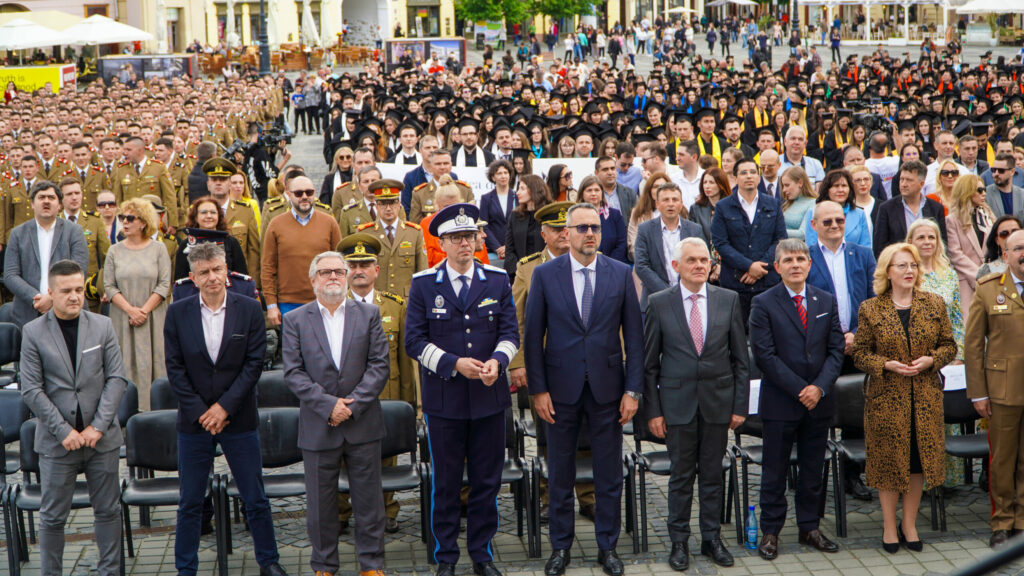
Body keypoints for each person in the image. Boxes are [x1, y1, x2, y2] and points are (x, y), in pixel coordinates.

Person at [524, 202, 643, 576]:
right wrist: (538, 390)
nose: (589, 233)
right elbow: (532, 338)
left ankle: (607, 547)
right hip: (559, 392)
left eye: (595, 227)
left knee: (609, 473)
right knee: (560, 473)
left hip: (609, 391)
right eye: (581, 228)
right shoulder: (545, 275)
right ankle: (561, 547)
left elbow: (636, 340)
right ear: (567, 234)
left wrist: (633, 391)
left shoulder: (621, 274)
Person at [405, 203, 519, 576]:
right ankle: (447, 557)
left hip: (489, 397)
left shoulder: (497, 279)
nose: (464, 244)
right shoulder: (424, 283)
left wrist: (498, 362)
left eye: (469, 236)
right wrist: (454, 364)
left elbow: (510, 334)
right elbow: (414, 342)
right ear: (442, 242)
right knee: (447, 483)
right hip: (444, 400)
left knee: (487, 481)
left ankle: (482, 555)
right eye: (456, 238)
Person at [163, 242, 287, 576]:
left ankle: (269, 562)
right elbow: (174, 369)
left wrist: (224, 408)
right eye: (204, 272)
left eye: (217, 270)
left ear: (227, 273)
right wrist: (202, 411)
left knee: (254, 497)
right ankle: (185, 568)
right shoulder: (178, 312)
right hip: (195, 421)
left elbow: (254, 363)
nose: (212, 277)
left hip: (239, 417)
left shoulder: (249, 308)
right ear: (193, 277)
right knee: (190, 501)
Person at [642, 237, 748, 570]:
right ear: (676, 266)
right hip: (677, 405)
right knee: (681, 477)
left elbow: (740, 360)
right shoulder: (659, 302)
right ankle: (678, 543)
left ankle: (711, 538)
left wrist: (739, 406)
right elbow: (649, 365)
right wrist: (655, 411)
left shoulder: (728, 300)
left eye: (704, 260)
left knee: (713, 475)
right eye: (692, 260)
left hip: (718, 403)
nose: (700, 265)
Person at [282, 250, 390, 576]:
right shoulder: (295, 320)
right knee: (320, 505)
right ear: (313, 280)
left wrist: (351, 406)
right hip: (319, 425)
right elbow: (294, 373)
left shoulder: (369, 314)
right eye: (326, 272)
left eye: (339, 272)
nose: (334, 277)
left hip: (363, 424)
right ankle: (324, 566)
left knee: (370, 502)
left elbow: (379, 366)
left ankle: (371, 565)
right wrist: (330, 406)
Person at [20, 259, 127, 576]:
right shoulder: (33, 332)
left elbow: (117, 379)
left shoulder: (102, 326)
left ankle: (110, 571)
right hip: (57, 443)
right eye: (66, 291)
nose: (75, 296)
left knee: (108, 510)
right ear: (51, 293)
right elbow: (31, 389)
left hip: (101, 439)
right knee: (52, 516)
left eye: (80, 289)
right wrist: (64, 431)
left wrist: (98, 426)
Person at [852, 242, 957, 554]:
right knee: (888, 463)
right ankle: (888, 526)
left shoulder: (934, 304)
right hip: (887, 400)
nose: (910, 270)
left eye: (913, 265)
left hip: (925, 398)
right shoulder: (870, 308)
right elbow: (859, 354)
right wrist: (884, 364)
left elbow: (949, 346)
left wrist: (931, 360)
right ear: (888, 272)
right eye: (902, 266)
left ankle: (909, 523)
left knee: (916, 462)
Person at [750, 237, 845, 560]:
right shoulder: (763, 303)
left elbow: (835, 350)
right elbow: (764, 355)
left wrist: (818, 387)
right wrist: (799, 389)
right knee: (774, 471)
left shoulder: (825, 301)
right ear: (777, 267)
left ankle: (810, 527)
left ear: (809, 264)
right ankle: (771, 531)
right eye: (788, 260)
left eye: (801, 259)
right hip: (781, 402)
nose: (795, 265)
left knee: (812, 470)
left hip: (818, 402)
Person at [335, 233, 414, 533]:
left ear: (376, 269)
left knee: (385, 458)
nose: (359, 270)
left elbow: (405, 364)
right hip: (347, 399)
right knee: (342, 456)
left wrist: (409, 404)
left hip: (386, 397)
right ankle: (341, 513)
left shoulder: (394, 306)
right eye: (353, 264)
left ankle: (386, 510)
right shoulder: (333, 307)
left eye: (365, 264)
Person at [965, 229, 1024, 548]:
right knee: (1002, 459)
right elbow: (973, 344)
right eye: (1018, 249)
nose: (1023, 254)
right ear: (1006, 256)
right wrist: (979, 392)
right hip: (1002, 390)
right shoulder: (989, 289)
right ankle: (1001, 521)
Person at [103, 197, 172, 411]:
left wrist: (143, 311)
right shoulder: (114, 251)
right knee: (124, 362)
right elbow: (109, 285)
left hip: (152, 318)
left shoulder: (159, 249)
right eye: (122, 217)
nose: (124, 221)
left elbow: (164, 284)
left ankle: (155, 411)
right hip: (123, 318)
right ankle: (126, 411)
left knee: (154, 362)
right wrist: (131, 310)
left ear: (143, 222)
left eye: (130, 218)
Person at [711, 157, 788, 325]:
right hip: (735, 282)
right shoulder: (723, 207)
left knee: (769, 332)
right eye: (743, 172)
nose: (749, 176)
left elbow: (780, 240)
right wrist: (748, 266)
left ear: (759, 177)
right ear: (735, 177)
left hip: (768, 281)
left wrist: (760, 267)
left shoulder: (773, 204)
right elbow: (720, 243)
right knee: (737, 335)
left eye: (753, 172)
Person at [3, 180, 89, 328]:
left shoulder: (74, 231)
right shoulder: (18, 234)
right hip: (28, 311)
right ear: (32, 203)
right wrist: (36, 298)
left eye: (51, 197)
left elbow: (79, 270)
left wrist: (52, 298)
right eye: (41, 197)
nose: (46, 201)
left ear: (60, 204)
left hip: (67, 309)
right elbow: (10, 274)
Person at [261, 175, 343, 326]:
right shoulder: (275, 224)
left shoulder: (329, 222)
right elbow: (267, 268)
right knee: (292, 349)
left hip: (324, 301)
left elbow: (341, 265)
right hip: (288, 304)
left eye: (309, 192)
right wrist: (271, 305)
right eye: (298, 193)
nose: (304, 197)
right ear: (289, 194)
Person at [634, 181, 705, 307]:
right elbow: (641, 266)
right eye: (665, 200)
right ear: (657, 204)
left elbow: (701, 261)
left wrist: (683, 291)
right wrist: (668, 293)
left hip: (689, 298)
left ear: (681, 203)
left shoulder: (694, 229)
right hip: (655, 299)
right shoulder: (645, 230)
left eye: (675, 199)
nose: (671, 204)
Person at [355, 178, 428, 297]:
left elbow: (422, 272)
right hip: (377, 301)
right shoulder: (364, 234)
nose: (388, 208)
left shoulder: (414, 233)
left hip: (407, 302)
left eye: (392, 202)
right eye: (383, 203)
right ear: (376, 206)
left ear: (399, 204)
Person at [873, 160, 948, 259]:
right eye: (902, 179)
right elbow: (880, 247)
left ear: (921, 184)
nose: (903, 184)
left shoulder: (935, 208)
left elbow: (942, 243)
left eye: (909, 180)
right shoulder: (886, 208)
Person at [946, 174, 996, 313]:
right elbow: (955, 254)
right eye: (979, 190)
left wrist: (989, 272)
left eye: (984, 189)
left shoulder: (988, 216)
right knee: (970, 326)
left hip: (990, 278)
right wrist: (979, 274)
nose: (984, 193)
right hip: (966, 280)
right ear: (967, 191)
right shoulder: (952, 220)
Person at [60, 177, 110, 313]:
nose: (74, 197)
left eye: (77, 193)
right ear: (61, 198)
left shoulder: (95, 221)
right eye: (69, 194)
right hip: (60, 290)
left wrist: (104, 286)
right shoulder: (55, 222)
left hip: (87, 291)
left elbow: (107, 256)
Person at [173, 196, 248, 281]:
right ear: (196, 217)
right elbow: (181, 280)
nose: (209, 216)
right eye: (203, 212)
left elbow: (241, 276)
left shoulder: (231, 242)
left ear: (219, 216)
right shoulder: (186, 245)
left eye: (213, 212)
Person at [803, 170, 872, 248]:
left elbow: (866, 246)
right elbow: (811, 246)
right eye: (836, 186)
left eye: (844, 186)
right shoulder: (813, 212)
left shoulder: (860, 213)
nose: (840, 190)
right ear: (827, 189)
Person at [504, 174, 551, 278]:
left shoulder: (548, 215)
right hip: (518, 275)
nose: (517, 192)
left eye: (522, 188)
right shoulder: (515, 216)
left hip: (545, 273)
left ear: (534, 189)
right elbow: (509, 249)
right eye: (518, 188)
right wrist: (520, 271)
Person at [577, 175, 629, 263]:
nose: (593, 193)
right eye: (589, 190)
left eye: (597, 190)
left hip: (612, 265)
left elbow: (621, 243)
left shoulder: (614, 215)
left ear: (602, 193)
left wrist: (608, 263)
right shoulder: (575, 216)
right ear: (582, 194)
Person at [479, 160, 517, 266]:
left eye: (505, 173)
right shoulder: (486, 198)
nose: (503, 176)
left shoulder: (517, 196)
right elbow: (484, 226)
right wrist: (497, 247)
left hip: (515, 250)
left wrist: (509, 246)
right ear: (493, 177)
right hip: (494, 252)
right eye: (499, 173)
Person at [780, 166, 817, 240]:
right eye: (783, 186)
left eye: (787, 185)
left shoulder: (813, 203)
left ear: (800, 183)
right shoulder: (788, 203)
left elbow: (803, 234)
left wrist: (776, 231)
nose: (784, 190)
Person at [985, 153, 1024, 220]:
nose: (996, 174)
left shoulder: (1022, 194)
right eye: (994, 170)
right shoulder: (985, 194)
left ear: (1012, 171)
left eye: (1001, 171)